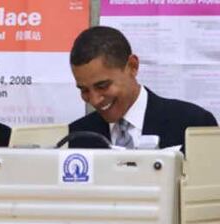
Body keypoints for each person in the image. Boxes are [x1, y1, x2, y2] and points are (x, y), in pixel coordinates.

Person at [68, 26, 217, 151]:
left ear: (132, 66)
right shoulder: (75, 138)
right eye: (84, 90)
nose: (94, 100)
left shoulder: (193, 123)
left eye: (103, 86)